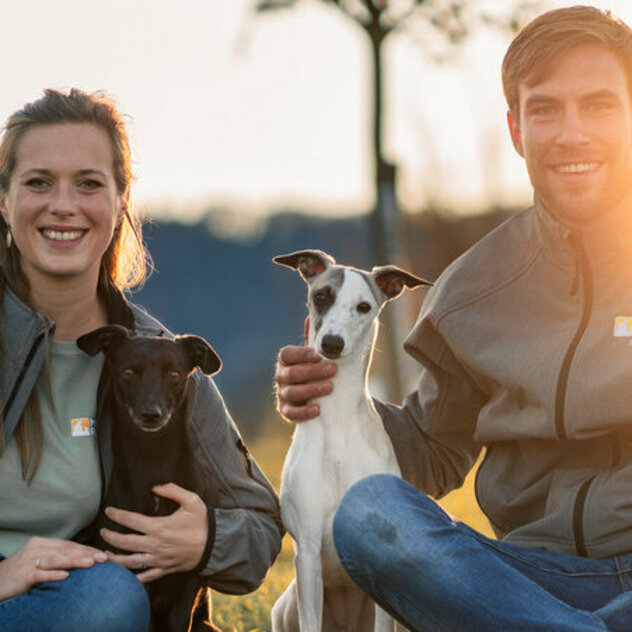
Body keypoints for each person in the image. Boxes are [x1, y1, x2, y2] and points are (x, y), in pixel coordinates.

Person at [274, 5, 632, 631]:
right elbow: (431, 452)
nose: (572, 132)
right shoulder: (472, 289)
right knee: (369, 511)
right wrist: (333, 394)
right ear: (517, 131)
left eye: (599, 105)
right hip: (518, 576)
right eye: (546, 109)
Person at [0, 88, 282, 632]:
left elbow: (261, 525)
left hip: (80, 605)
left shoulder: (159, 359)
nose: (64, 204)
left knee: (108, 596)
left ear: (120, 200)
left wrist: (207, 540)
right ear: (4, 199)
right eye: (38, 182)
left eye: (89, 183)